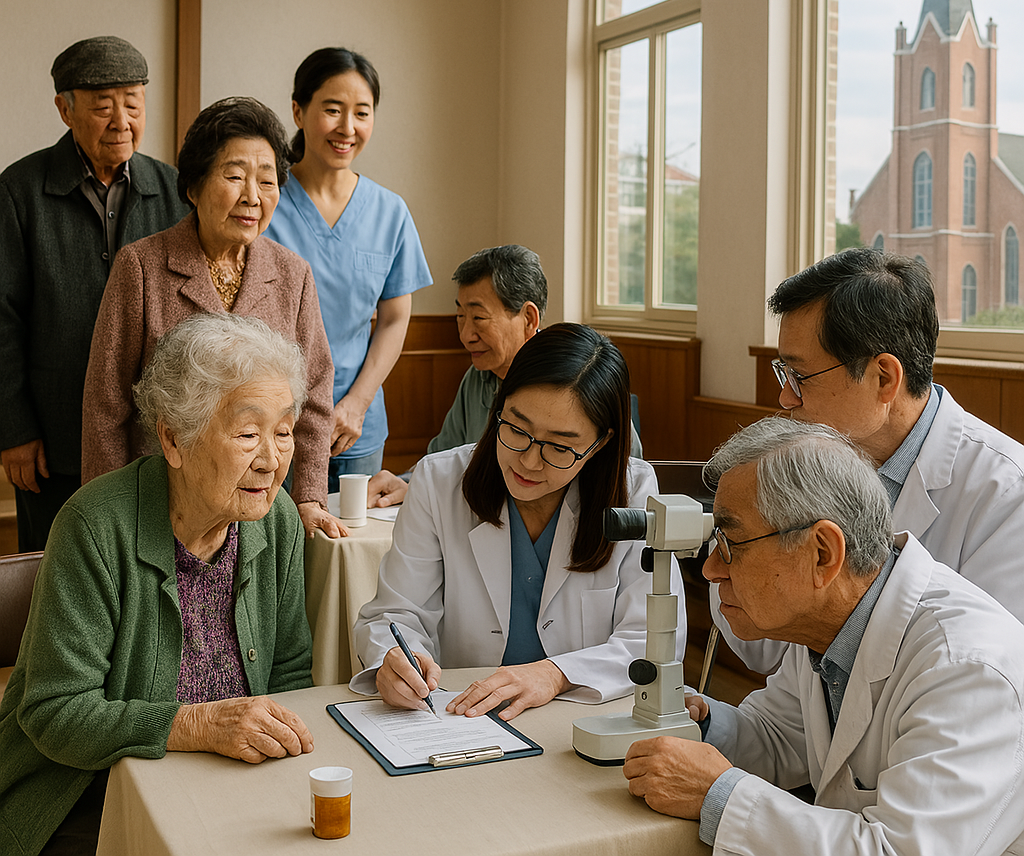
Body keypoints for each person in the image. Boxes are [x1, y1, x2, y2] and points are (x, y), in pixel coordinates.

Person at [624, 417, 1024, 856]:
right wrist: (702, 724)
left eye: (730, 543)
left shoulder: (965, 669)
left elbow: (899, 851)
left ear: (822, 554)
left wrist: (717, 795)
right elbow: (778, 736)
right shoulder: (827, 621)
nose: (711, 569)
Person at [0, 314, 317, 856]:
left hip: (223, 787)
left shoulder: (277, 519)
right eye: (247, 434)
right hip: (85, 790)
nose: (271, 459)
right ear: (173, 439)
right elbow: (54, 712)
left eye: (283, 432)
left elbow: (289, 672)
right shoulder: (95, 526)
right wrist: (197, 725)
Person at [711, 247, 1024, 674]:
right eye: (783, 373)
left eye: (800, 377)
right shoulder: (800, 464)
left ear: (884, 378)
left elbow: (986, 670)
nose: (785, 398)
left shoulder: (1005, 493)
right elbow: (764, 651)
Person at [352, 323, 683, 721]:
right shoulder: (439, 482)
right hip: (461, 719)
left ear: (601, 443)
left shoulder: (634, 492)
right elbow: (395, 613)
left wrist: (557, 674)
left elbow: (654, 639)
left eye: (560, 447)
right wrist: (397, 660)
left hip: (579, 718)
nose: (527, 461)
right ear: (498, 408)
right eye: (516, 429)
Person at [80, 97, 338, 538]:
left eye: (267, 180)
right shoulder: (141, 266)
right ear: (194, 186)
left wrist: (309, 496)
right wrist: (106, 511)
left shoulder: (293, 274)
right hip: (162, 508)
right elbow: (107, 405)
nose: (252, 197)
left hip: (259, 504)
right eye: (234, 176)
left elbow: (313, 396)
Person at [0, 36, 187, 551]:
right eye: (103, 106)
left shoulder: (172, 189)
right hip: (53, 437)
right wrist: (13, 429)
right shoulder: (19, 191)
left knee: (143, 571)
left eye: (132, 102)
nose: (121, 120)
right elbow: (2, 321)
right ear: (65, 109)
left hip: (152, 437)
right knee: (54, 569)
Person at [263, 47, 432, 496]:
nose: (348, 128)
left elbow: (395, 319)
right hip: (272, 421)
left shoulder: (389, 212)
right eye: (332, 110)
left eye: (362, 113)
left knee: (347, 549)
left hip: (355, 427)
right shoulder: (265, 203)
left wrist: (357, 404)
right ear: (298, 111)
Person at [367, 244, 642, 507]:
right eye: (460, 316)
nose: (465, 335)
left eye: (478, 318)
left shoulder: (577, 378)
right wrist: (408, 482)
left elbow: (627, 478)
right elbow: (443, 456)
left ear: (529, 319)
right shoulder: (477, 378)